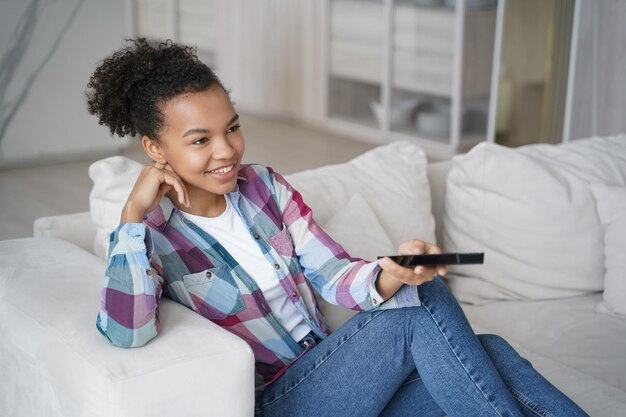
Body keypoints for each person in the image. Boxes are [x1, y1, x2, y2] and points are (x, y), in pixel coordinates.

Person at [86, 38, 589, 417]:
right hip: (280, 401)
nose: (226, 151)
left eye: (232, 128)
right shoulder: (149, 234)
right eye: (200, 140)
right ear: (156, 149)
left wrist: (394, 274)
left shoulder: (263, 186)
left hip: (339, 377)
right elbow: (128, 333)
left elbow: (332, 273)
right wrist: (131, 218)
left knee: (488, 348)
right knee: (420, 311)